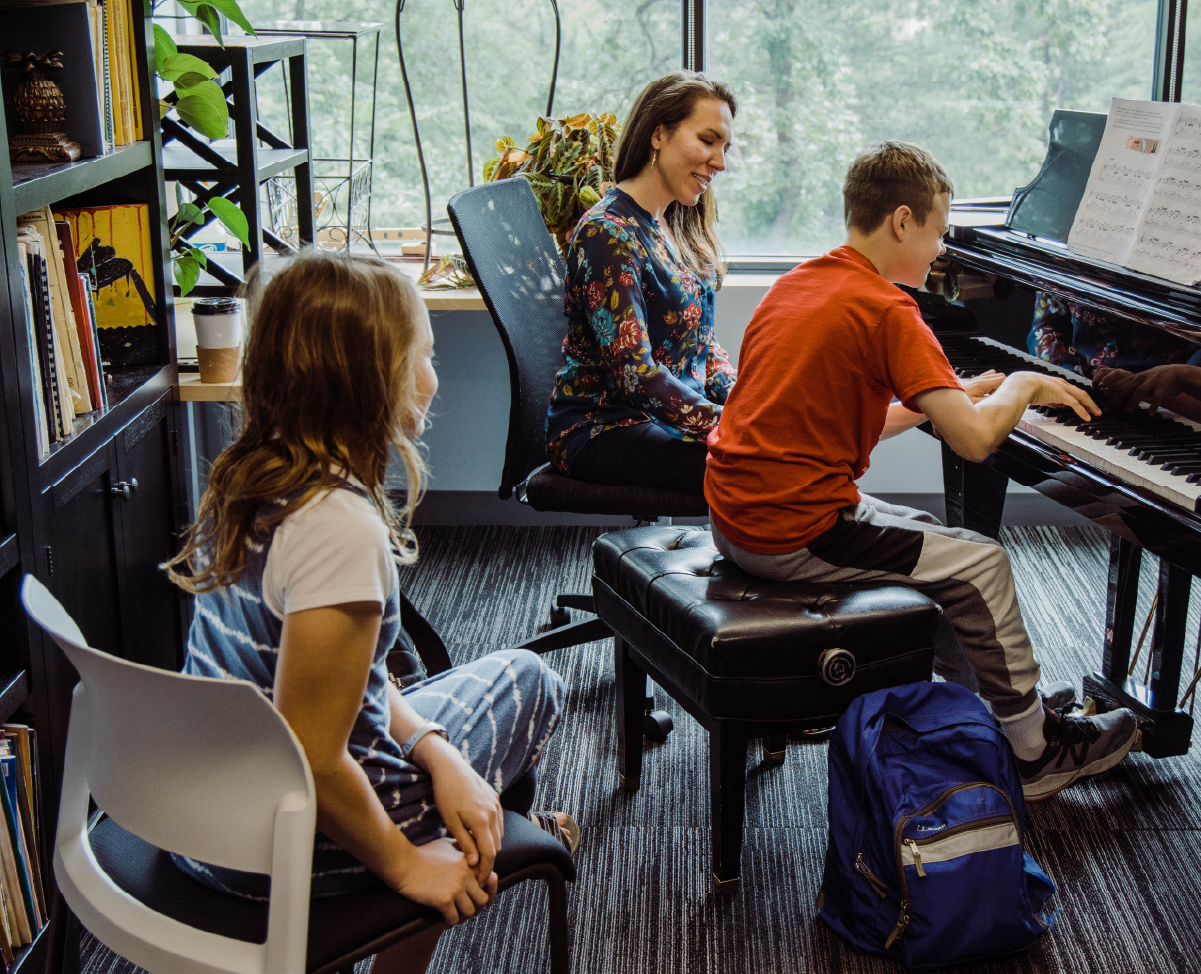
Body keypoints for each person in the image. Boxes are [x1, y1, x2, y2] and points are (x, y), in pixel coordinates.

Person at [164, 250, 575, 974]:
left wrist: (434, 749)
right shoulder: (339, 531)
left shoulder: (255, 476)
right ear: (373, 380)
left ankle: (484, 821)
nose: (432, 378)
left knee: (480, 716)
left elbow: (337, 682)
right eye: (424, 355)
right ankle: (442, 881)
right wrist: (407, 868)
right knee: (531, 682)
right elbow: (315, 759)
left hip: (205, 810)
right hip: (277, 846)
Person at [704, 141, 1139, 802]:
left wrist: (956, 392)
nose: (940, 250)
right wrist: (1018, 386)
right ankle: (1035, 755)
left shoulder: (800, 283)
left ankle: (990, 713)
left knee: (933, 543)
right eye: (937, 232)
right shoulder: (888, 310)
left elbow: (848, 421)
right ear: (901, 221)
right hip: (792, 531)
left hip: (735, 516)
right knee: (980, 562)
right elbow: (971, 443)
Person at [545, 70, 737, 494]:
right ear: (658, 135)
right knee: (762, 471)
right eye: (707, 141)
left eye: (725, 148)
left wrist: (748, 403)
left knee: (786, 455)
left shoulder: (675, 225)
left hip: (664, 419)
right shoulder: (608, 234)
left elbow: (702, 343)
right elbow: (635, 374)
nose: (720, 162)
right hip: (603, 427)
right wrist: (733, 427)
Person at [1029, 291, 1201, 377]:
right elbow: (1047, 325)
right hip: (1078, 372)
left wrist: (1182, 382)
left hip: (1160, 389)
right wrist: (1060, 373)